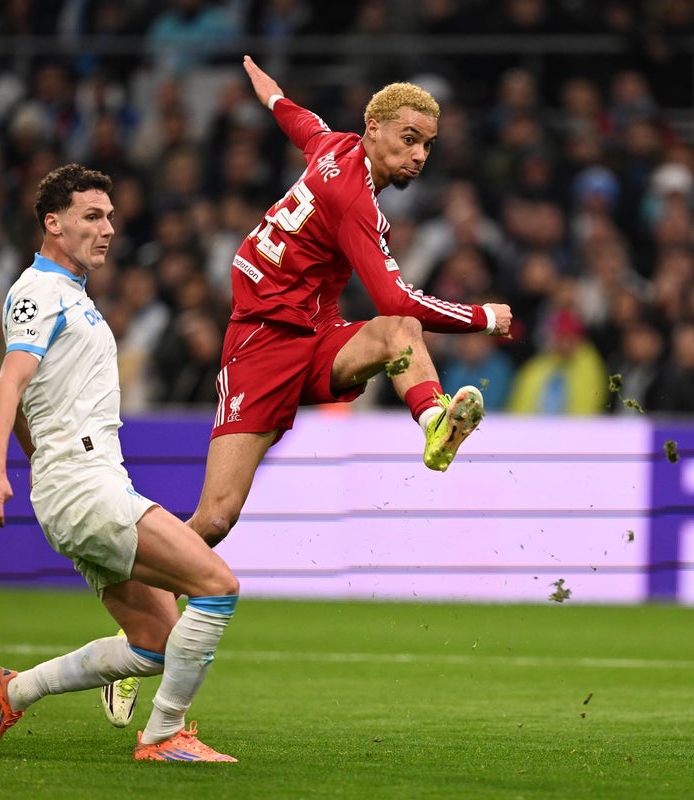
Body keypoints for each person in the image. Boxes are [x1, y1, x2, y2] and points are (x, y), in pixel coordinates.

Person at [104, 55, 512, 717]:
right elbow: (391, 292)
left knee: (397, 333)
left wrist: (270, 93)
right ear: (374, 129)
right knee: (215, 518)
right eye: (409, 139)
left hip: (314, 336)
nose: (419, 155)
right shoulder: (353, 197)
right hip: (261, 347)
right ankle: (139, 624)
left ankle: (434, 422)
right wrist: (482, 317)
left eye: (428, 145)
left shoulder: (334, 146)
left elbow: (301, 122)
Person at [0, 163, 241, 762]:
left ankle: (12, 691)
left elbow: (15, 391)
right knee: (218, 587)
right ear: (54, 223)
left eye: (110, 217)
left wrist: (41, 464)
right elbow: (7, 383)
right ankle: (164, 736)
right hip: (85, 486)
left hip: (78, 483)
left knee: (155, 643)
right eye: (92, 216)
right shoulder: (39, 292)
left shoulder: (71, 296)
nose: (108, 228)